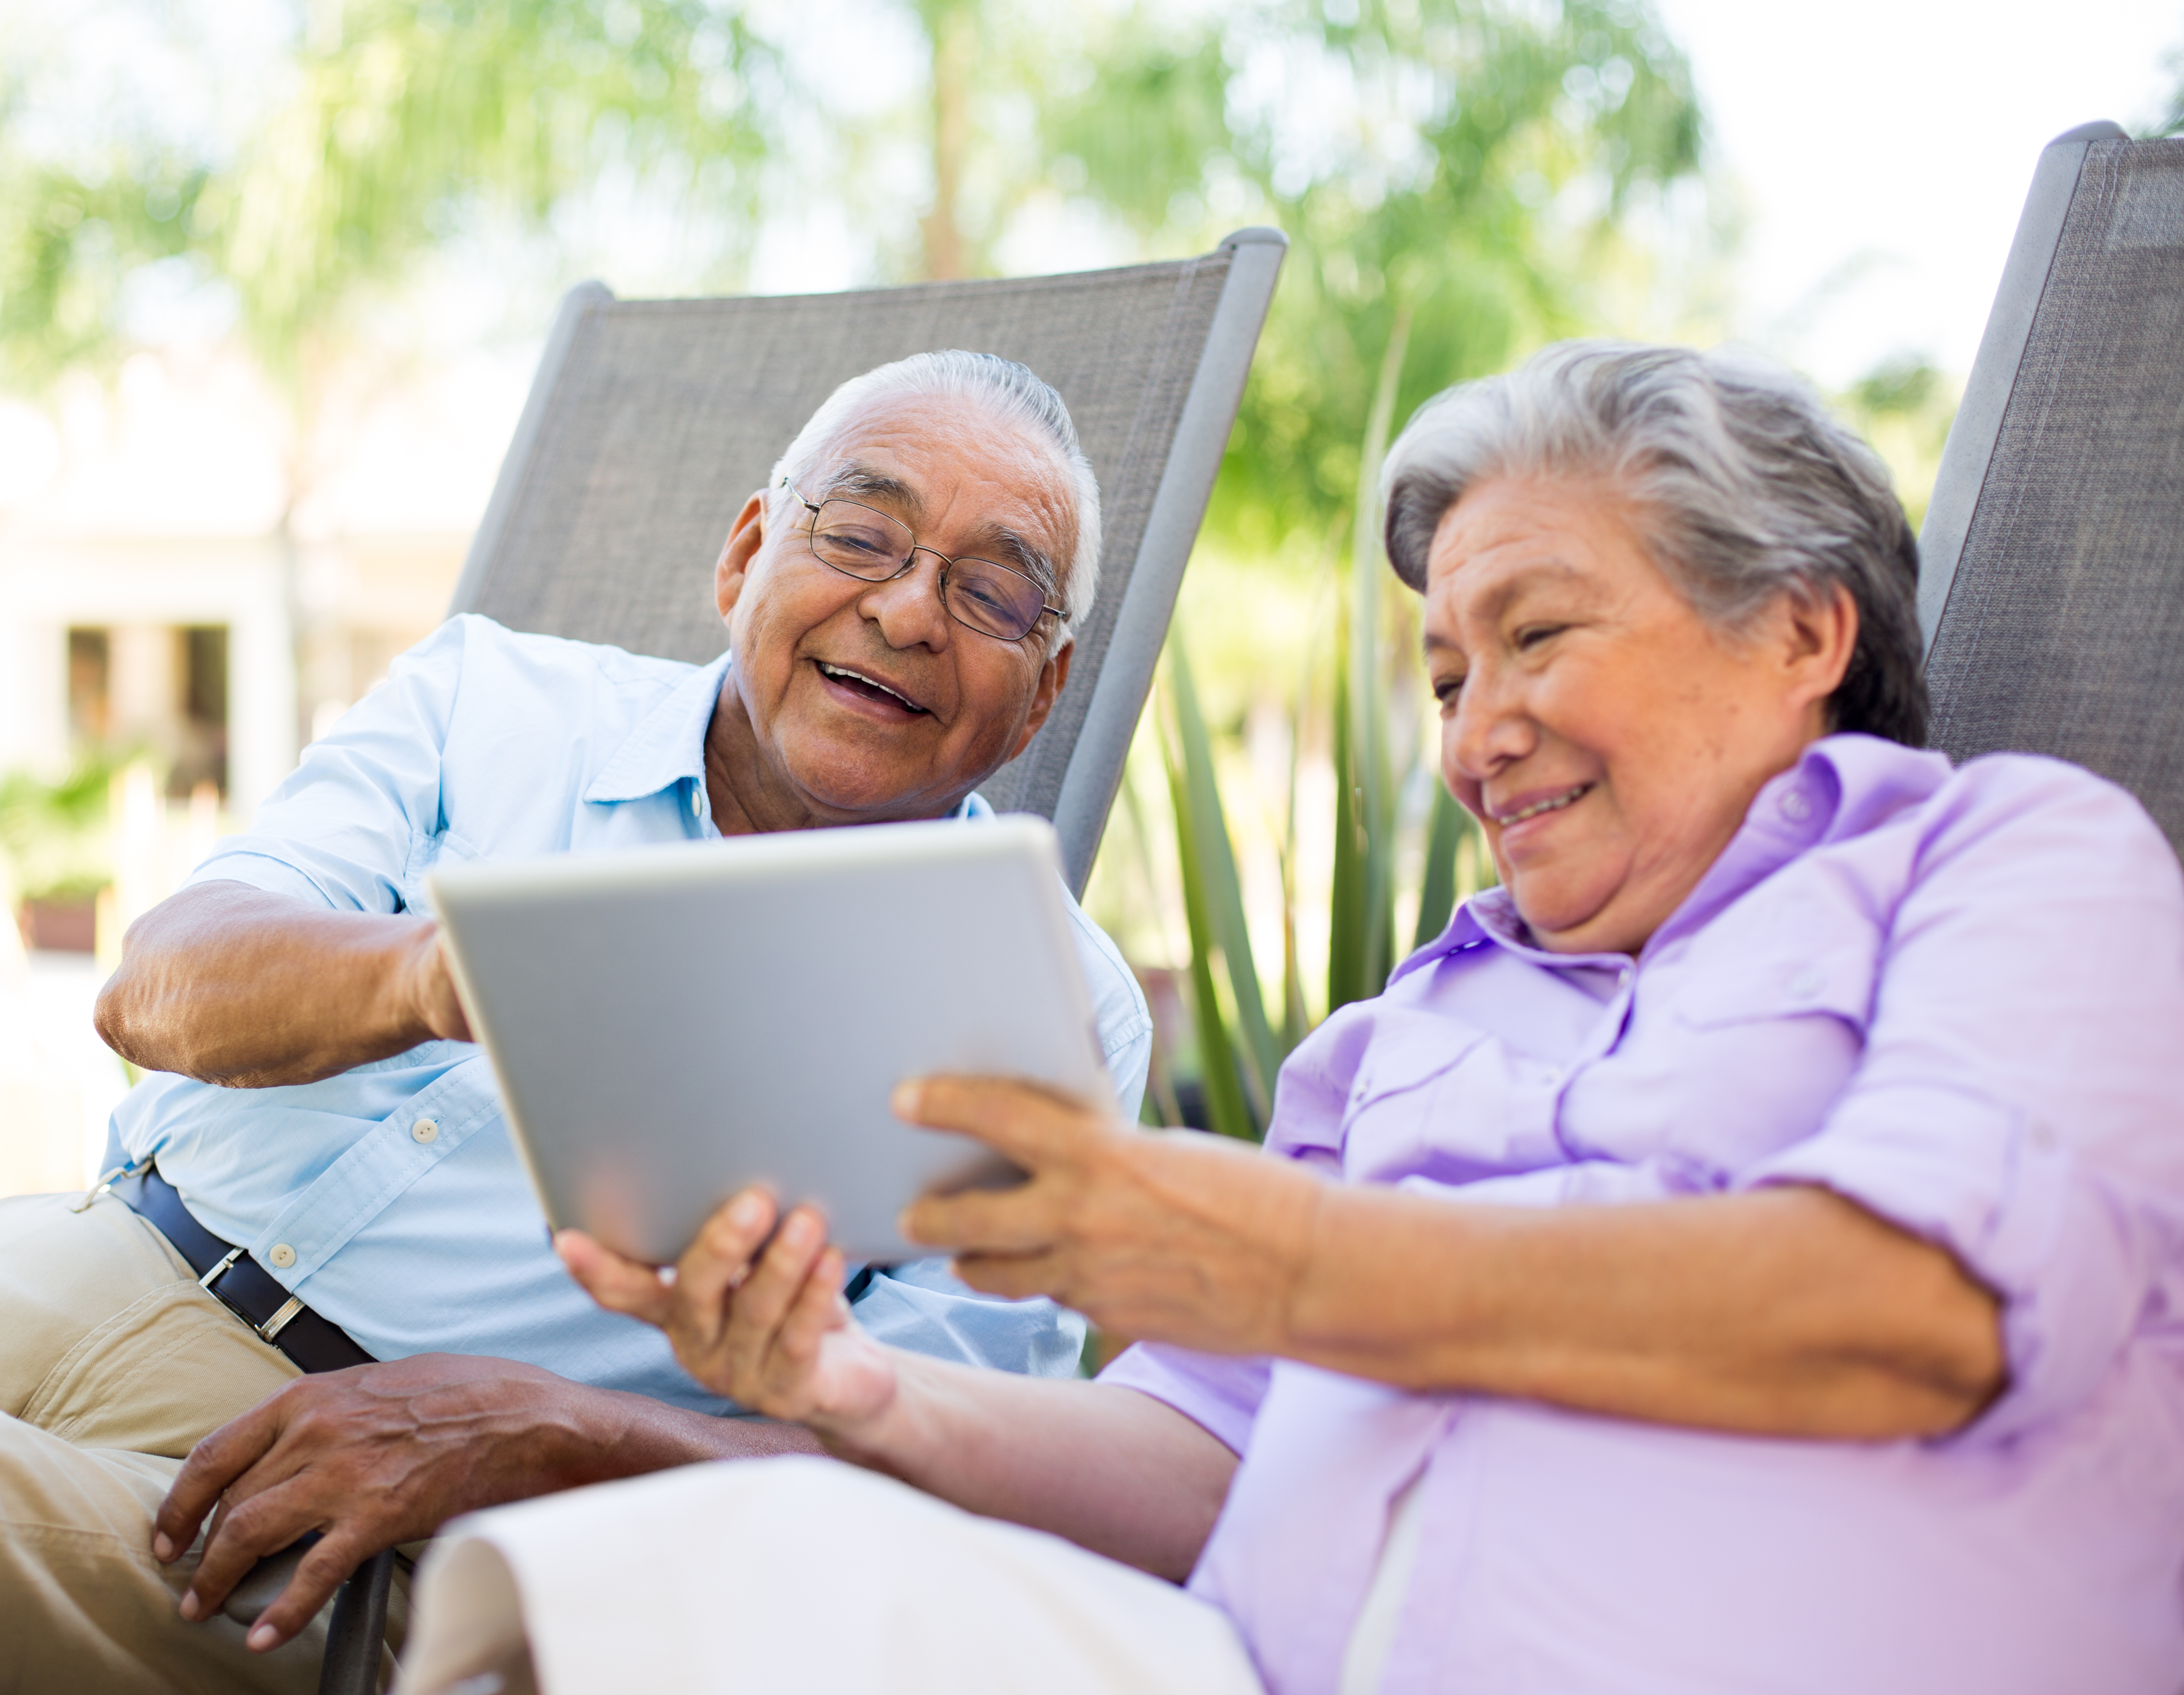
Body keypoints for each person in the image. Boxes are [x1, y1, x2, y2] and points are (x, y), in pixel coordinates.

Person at [389, 341, 2184, 1695]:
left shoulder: (2011, 866)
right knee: (684, 1580)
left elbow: (1917, 1313)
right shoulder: (1405, 1032)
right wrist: (849, 1390)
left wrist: (1296, 1261)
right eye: (1450, 674)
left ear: (1800, 630)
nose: (1474, 733)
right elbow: (1195, 1463)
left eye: (1539, 639)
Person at [0, 350, 1152, 1695]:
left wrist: (548, 1429)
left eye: (994, 592)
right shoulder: (489, 701)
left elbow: (956, 1472)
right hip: (23, 1281)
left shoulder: (1047, 1009)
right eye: (862, 534)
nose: (905, 609)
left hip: (345, 1501)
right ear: (749, 551)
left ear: (1043, 692)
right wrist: (447, 974)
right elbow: (155, 989)